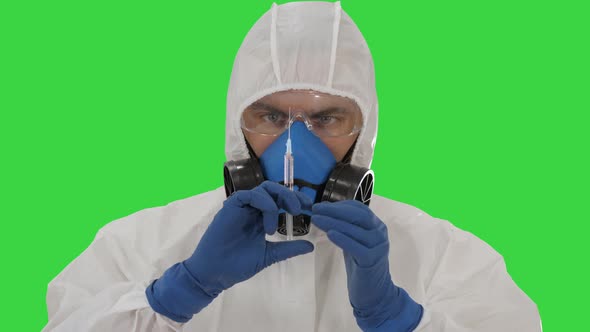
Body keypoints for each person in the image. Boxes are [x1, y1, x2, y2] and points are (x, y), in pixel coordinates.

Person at [43, 2, 541, 331]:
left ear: (363, 131)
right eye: (271, 116)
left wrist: (401, 319)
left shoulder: (442, 254)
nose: (293, 144)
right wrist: (178, 293)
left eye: (327, 118)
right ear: (238, 124)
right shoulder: (139, 244)